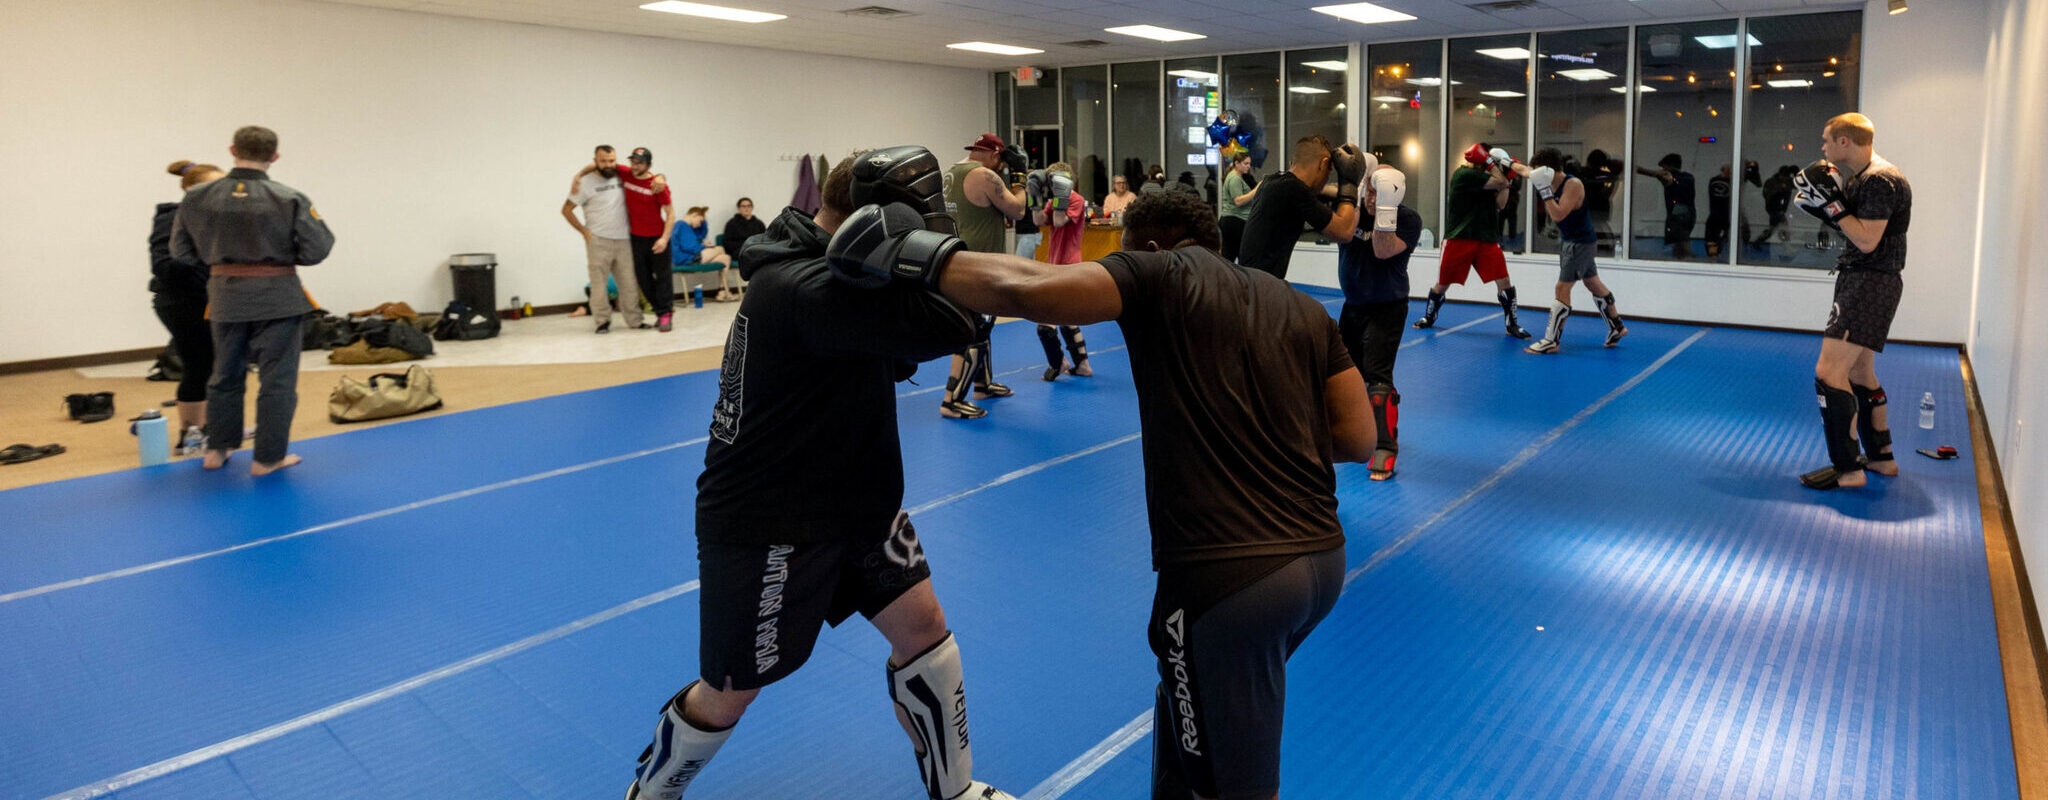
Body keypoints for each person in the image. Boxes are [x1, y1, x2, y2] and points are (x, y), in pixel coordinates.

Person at [823, 186, 1376, 800]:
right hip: (1320, 564)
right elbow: (1357, 437)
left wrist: (910, 253)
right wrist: (1265, 438)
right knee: (1187, 713)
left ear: (1151, 246)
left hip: (1227, 580)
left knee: (1231, 782)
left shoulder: (1162, 270)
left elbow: (1026, 289)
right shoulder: (1301, 307)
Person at [623, 148, 1016, 800]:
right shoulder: (803, 287)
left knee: (924, 631)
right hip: (769, 521)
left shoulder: (845, 274)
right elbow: (962, 321)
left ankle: (955, 789)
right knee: (729, 694)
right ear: (880, 220)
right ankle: (650, 793)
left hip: (859, 503)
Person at [171, 125, 333, 476]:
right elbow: (318, 248)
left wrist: (224, 262)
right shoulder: (289, 198)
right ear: (274, 156)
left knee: (223, 374)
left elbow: (180, 252)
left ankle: (217, 450)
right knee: (277, 381)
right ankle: (268, 458)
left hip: (224, 296)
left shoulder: (196, 197)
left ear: (232, 150)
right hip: (278, 298)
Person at [1793, 113, 1912, 491]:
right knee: (1860, 374)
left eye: (1827, 140)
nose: (1823, 148)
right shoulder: (1863, 178)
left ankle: (1848, 469)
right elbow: (1857, 230)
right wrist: (1833, 211)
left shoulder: (1879, 180)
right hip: (1868, 280)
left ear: (1845, 141)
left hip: (1869, 283)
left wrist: (1833, 208)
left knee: (1829, 373)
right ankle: (1881, 458)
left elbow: (1866, 241)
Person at [1336, 165, 1420, 480]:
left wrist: (1385, 205)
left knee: (1376, 374)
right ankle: (1352, 433)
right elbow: (1331, 222)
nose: (1373, 197)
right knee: (1344, 373)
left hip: (1387, 307)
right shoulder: (1353, 213)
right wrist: (1348, 186)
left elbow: (1382, 250)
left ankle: (1385, 447)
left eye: (1379, 190)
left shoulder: (1408, 220)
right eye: (1370, 190)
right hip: (1352, 306)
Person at [936, 133, 1027, 419]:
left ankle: (982, 384)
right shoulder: (984, 176)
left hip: (958, 258)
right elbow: (1019, 209)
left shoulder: (952, 171)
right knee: (972, 330)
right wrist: (1020, 177)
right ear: (996, 156)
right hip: (978, 265)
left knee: (983, 326)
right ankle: (952, 400)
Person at [1413, 143, 1532, 339]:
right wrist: (1495, 167)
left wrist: (1508, 178)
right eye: (1489, 162)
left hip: (1486, 237)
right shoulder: (1464, 175)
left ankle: (1512, 324)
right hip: (1459, 236)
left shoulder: (1493, 179)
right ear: (1482, 160)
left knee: (1504, 281)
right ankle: (1429, 317)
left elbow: (1501, 204)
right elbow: (1499, 182)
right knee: (1443, 284)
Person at [1518, 148, 1628, 355]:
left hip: (1579, 243)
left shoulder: (1573, 185)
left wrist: (1545, 192)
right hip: (1573, 241)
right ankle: (1618, 327)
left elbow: (1558, 215)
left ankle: (1551, 340)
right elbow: (1524, 170)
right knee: (1592, 282)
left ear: (1548, 170)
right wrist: (1503, 162)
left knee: (1562, 287)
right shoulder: (1546, 177)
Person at [152, 160, 225, 455]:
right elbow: (164, 265)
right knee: (199, 365)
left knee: (220, 367)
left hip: (214, 301)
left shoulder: (221, 219)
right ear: (193, 190)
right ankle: (189, 436)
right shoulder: (171, 219)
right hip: (183, 302)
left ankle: (215, 427)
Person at [1235, 134, 1368, 281]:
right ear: (1323, 164)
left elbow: (1323, 191)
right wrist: (1349, 183)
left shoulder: (1272, 182)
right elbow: (1344, 233)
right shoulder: (1294, 189)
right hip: (1260, 287)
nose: (1326, 179)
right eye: (1328, 171)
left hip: (1250, 282)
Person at [574, 147, 675, 329]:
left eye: (640, 163)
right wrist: (578, 175)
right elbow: (598, 163)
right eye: (633, 162)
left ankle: (665, 314)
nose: (635, 166)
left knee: (663, 278)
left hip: (658, 238)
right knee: (643, 280)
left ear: (648, 165)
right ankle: (660, 310)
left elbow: (670, 214)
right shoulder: (626, 174)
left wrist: (664, 239)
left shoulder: (657, 185)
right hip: (635, 238)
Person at [562, 145, 643, 333]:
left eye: (612, 160)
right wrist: (583, 231)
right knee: (599, 285)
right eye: (603, 161)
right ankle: (602, 322)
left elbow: (646, 173)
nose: (608, 164)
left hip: (624, 240)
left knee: (629, 283)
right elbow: (566, 210)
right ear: (595, 161)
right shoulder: (584, 183)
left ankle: (635, 321)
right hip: (598, 240)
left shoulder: (624, 176)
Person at [1033, 163, 1092, 382]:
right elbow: (1038, 221)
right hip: (1055, 264)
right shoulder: (1053, 200)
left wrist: (1060, 196)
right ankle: (1083, 365)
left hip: (1069, 265)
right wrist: (1035, 198)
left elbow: (1059, 220)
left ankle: (1058, 363)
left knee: (1045, 322)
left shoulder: (1075, 199)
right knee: (1067, 318)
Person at [672, 205, 740, 301]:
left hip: (689, 256)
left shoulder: (686, 226)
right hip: (685, 258)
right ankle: (725, 291)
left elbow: (701, 234)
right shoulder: (682, 225)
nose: (700, 224)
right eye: (700, 221)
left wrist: (703, 222)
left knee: (725, 258)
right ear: (694, 215)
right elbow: (690, 247)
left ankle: (722, 291)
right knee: (720, 248)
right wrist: (705, 246)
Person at [1635, 153, 1696, 260]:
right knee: (1678, 243)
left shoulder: (1668, 176)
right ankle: (1680, 263)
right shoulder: (1688, 177)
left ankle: (1690, 264)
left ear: (1669, 166)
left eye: (1663, 167)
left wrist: (1634, 168)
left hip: (1677, 213)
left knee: (1683, 244)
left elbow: (1651, 173)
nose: (1662, 169)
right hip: (1690, 213)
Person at [1217, 152, 1256, 260]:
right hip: (1235, 220)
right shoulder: (1235, 179)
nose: (1248, 166)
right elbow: (1238, 201)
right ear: (1237, 163)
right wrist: (1256, 190)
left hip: (1234, 220)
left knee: (1229, 256)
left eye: (1249, 164)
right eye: (1245, 163)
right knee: (1235, 255)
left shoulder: (1236, 177)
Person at [721, 196, 766, 267]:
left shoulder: (759, 223)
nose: (746, 208)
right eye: (743, 206)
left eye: (749, 206)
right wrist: (745, 245)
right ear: (739, 208)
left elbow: (765, 239)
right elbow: (727, 242)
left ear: (752, 207)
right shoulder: (732, 223)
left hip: (756, 249)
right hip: (739, 250)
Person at [1705, 163, 1733, 258]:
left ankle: (1716, 254)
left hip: (1725, 215)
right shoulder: (1716, 181)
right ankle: (1713, 256)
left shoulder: (1732, 182)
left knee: (1718, 238)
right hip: (1717, 215)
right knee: (1712, 239)